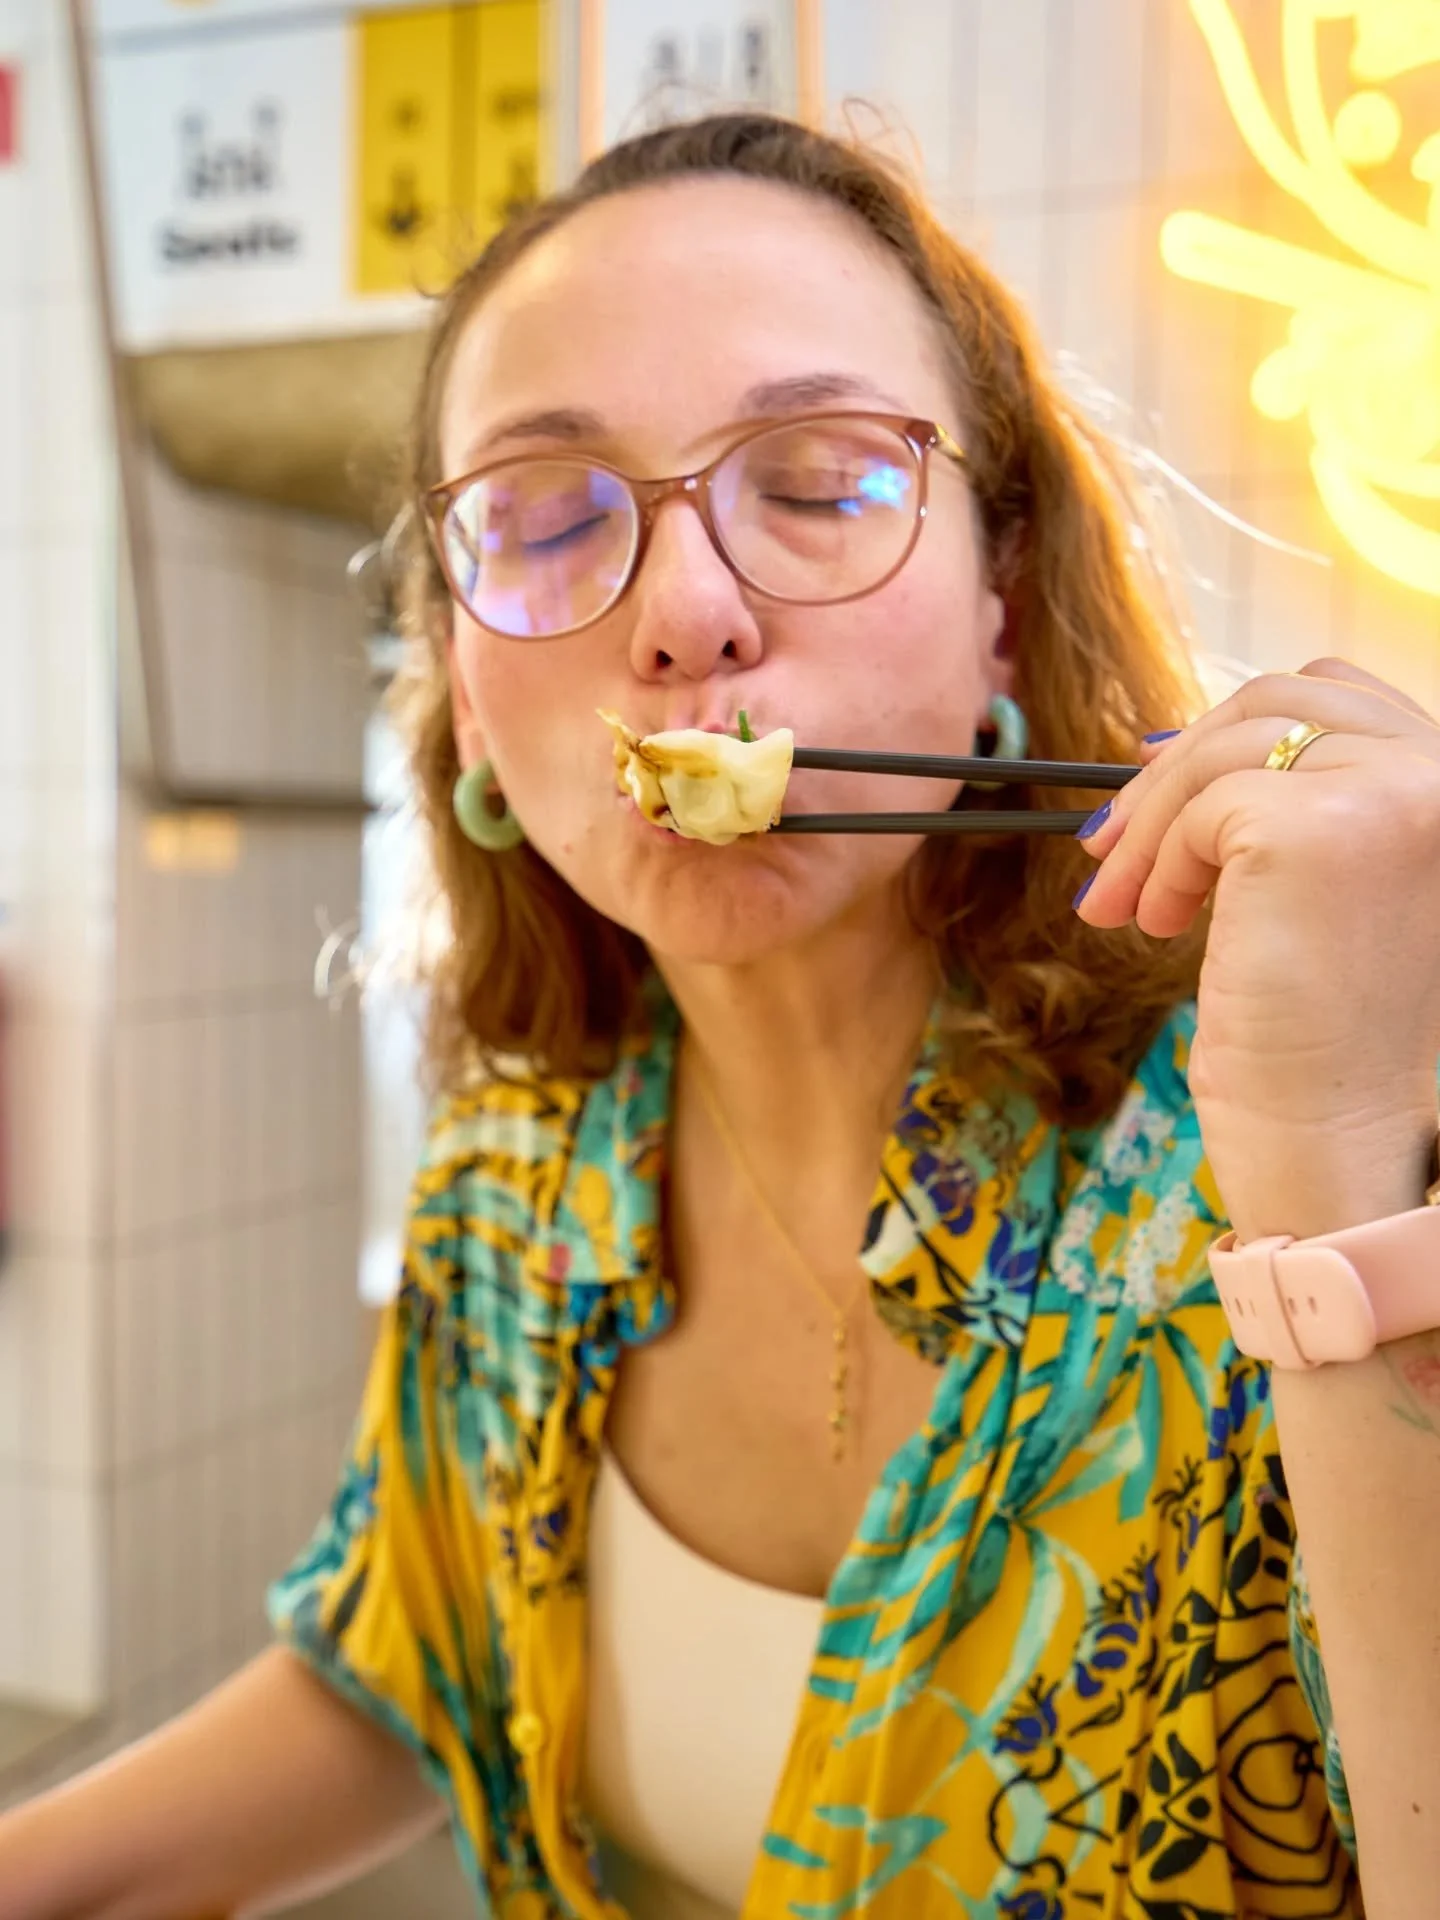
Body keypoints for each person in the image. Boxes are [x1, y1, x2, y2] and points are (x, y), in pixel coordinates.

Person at [4, 109, 1440, 1920]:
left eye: (822, 482)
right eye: (541, 518)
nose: (686, 615)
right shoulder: (525, 1172)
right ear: (461, 671)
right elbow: (416, 1653)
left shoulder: (1310, 1161)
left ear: (1000, 602)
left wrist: (1334, 1160)